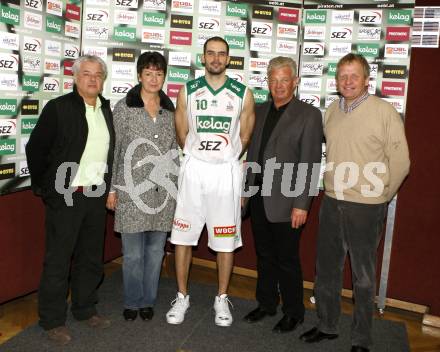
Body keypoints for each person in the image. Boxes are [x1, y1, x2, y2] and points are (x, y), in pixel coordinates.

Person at [299, 53, 410, 352]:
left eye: (354, 76)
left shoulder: (384, 112)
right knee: (327, 271)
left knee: (362, 277)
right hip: (333, 201)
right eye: (342, 76)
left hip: (367, 206)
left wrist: (381, 197)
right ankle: (327, 325)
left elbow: (402, 162)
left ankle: (361, 339)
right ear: (336, 80)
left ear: (366, 79)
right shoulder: (332, 111)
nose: (348, 81)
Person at [165, 36, 255, 327]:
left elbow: (245, 137)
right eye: (211, 54)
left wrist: (223, 158)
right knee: (182, 237)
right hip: (194, 171)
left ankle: (221, 298)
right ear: (202, 58)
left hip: (225, 173)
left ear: (228, 59)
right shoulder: (187, 91)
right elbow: (182, 134)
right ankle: (182, 296)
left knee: (225, 241)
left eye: (222, 54)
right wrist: (200, 155)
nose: (216, 58)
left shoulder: (243, 93)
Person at [25, 55, 115, 345]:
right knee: (58, 261)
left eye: (98, 74)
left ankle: (85, 309)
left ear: (103, 79)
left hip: (94, 195)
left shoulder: (106, 110)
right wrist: (46, 189)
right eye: (86, 74)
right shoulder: (59, 108)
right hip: (65, 197)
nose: (92, 79)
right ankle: (52, 320)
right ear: (75, 78)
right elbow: (36, 149)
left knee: (90, 258)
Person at [242, 56, 323, 333]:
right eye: (273, 80)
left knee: (287, 259)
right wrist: (246, 191)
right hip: (258, 197)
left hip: (288, 202)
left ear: (295, 82)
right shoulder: (260, 110)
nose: (279, 85)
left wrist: (302, 204)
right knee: (264, 255)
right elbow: (252, 154)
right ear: (268, 82)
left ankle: (294, 311)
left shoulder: (309, 115)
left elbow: (310, 163)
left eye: (284, 80)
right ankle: (266, 303)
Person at [106, 52, 178, 322]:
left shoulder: (170, 110)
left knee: (156, 252)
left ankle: (148, 300)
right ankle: (132, 300)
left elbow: (174, 153)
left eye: (158, 73)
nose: (153, 78)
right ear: (139, 75)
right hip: (130, 192)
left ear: (164, 76)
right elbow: (115, 150)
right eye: (148, 73)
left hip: (163, 194)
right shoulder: (124, 107)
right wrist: (111, 189)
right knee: (133, 254)